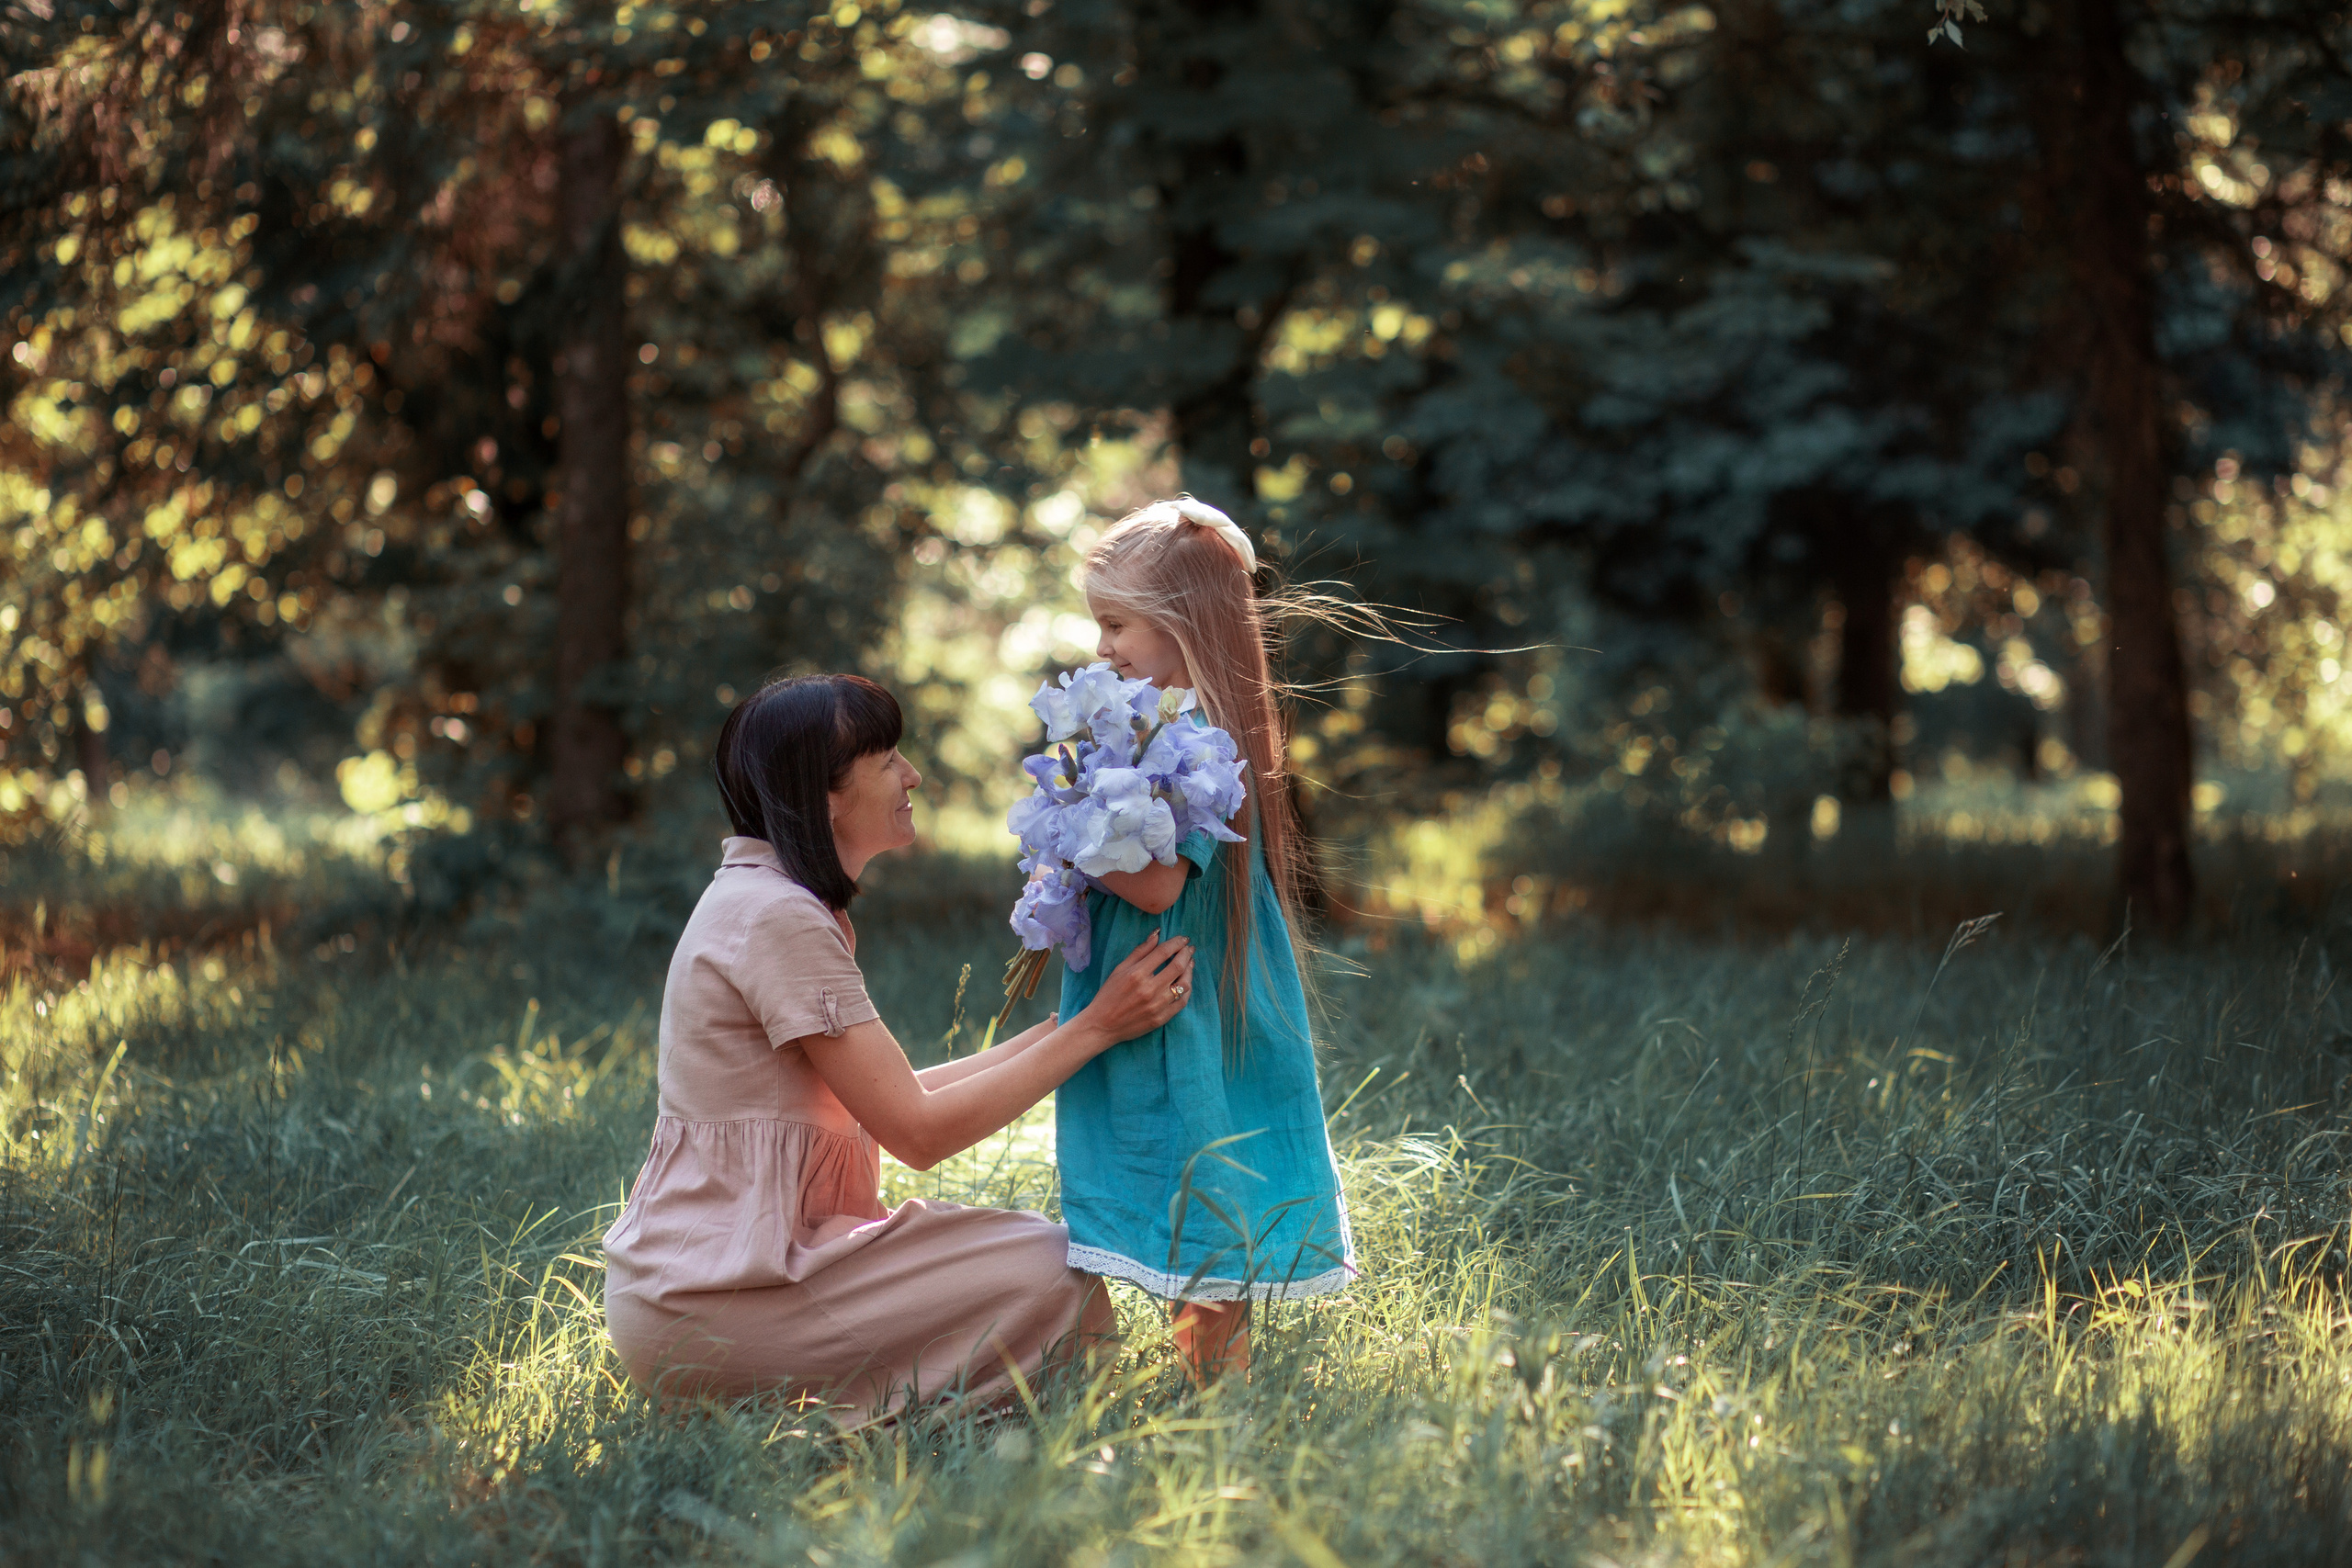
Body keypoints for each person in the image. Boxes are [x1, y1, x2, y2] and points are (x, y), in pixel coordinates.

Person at [603, 673, 1196, 1425]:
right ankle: (1059, 1437)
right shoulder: (776, 917)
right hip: (718, 1305)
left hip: (703, 1290)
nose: (911, 773)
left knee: (1039, 1255)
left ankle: (1024, 1423)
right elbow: (918, 1131)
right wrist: (1095, 1030)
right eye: (886, 758)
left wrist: (1063, 1027)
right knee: (1054, 1273)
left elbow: (890, 1097)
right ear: (826, 795)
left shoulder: (764, 899)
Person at [1049, 497, 1358, 1383]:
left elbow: (1155, 882)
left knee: (1200, 1183)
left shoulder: (1200, 746)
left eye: (1117, 624)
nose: (1102, 647)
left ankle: (1220, 1397)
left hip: (1185, 1010)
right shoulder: (1151, 732)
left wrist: (1061, 824)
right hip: (1150, 998)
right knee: (1139, 1176)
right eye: (1097, 625)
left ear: (1185, 626)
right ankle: (1123, 1381)